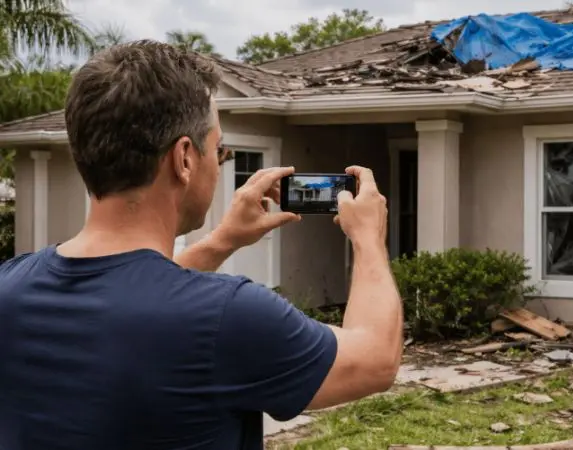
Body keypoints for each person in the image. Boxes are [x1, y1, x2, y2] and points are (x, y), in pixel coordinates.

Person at [0, 40, 403, 450]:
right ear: (185, 159)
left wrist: (221, 241)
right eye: (218, 149)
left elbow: (129, 295)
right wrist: (368, 239)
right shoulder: (227, 316)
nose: (218, 162)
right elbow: (374, 359)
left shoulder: (9, 290)